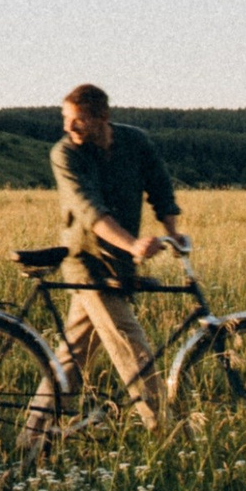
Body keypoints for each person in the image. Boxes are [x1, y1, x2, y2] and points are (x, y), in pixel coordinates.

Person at [47, 83, 184, 429]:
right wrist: (134, 245)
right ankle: (164, 432)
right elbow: (90, 211)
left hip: (119, 264)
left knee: (72, 359)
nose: (68, 126)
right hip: (88, 264)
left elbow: (160, 187)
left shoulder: (134, 142)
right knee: (132, 346)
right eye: (65, 118)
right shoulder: (65, 154)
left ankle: (33, 437)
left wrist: (172, 231)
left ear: (102, 117)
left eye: (77, 119)